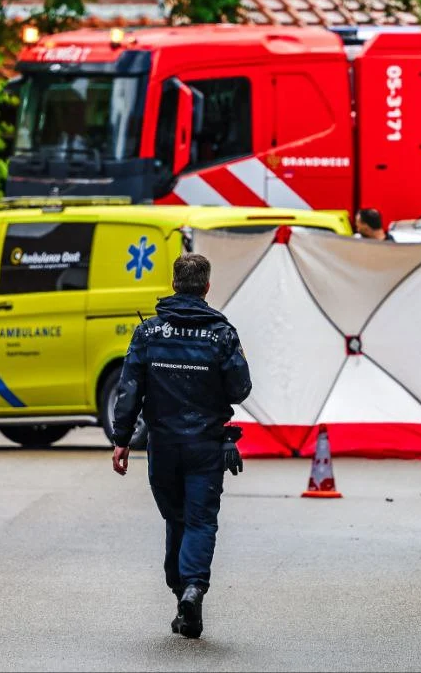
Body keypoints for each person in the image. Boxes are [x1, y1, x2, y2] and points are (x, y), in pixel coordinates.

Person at [111, 253, 252, 640]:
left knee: (176, 518)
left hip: (163, 444)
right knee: (201, 520)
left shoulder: (148, 333)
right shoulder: (222, 334)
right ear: (206, 287)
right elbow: (240, 389)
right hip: (206, 445)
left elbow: (129, 390)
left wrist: (121, 440)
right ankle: (192, 588)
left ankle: (181, 593)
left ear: (174, 284)